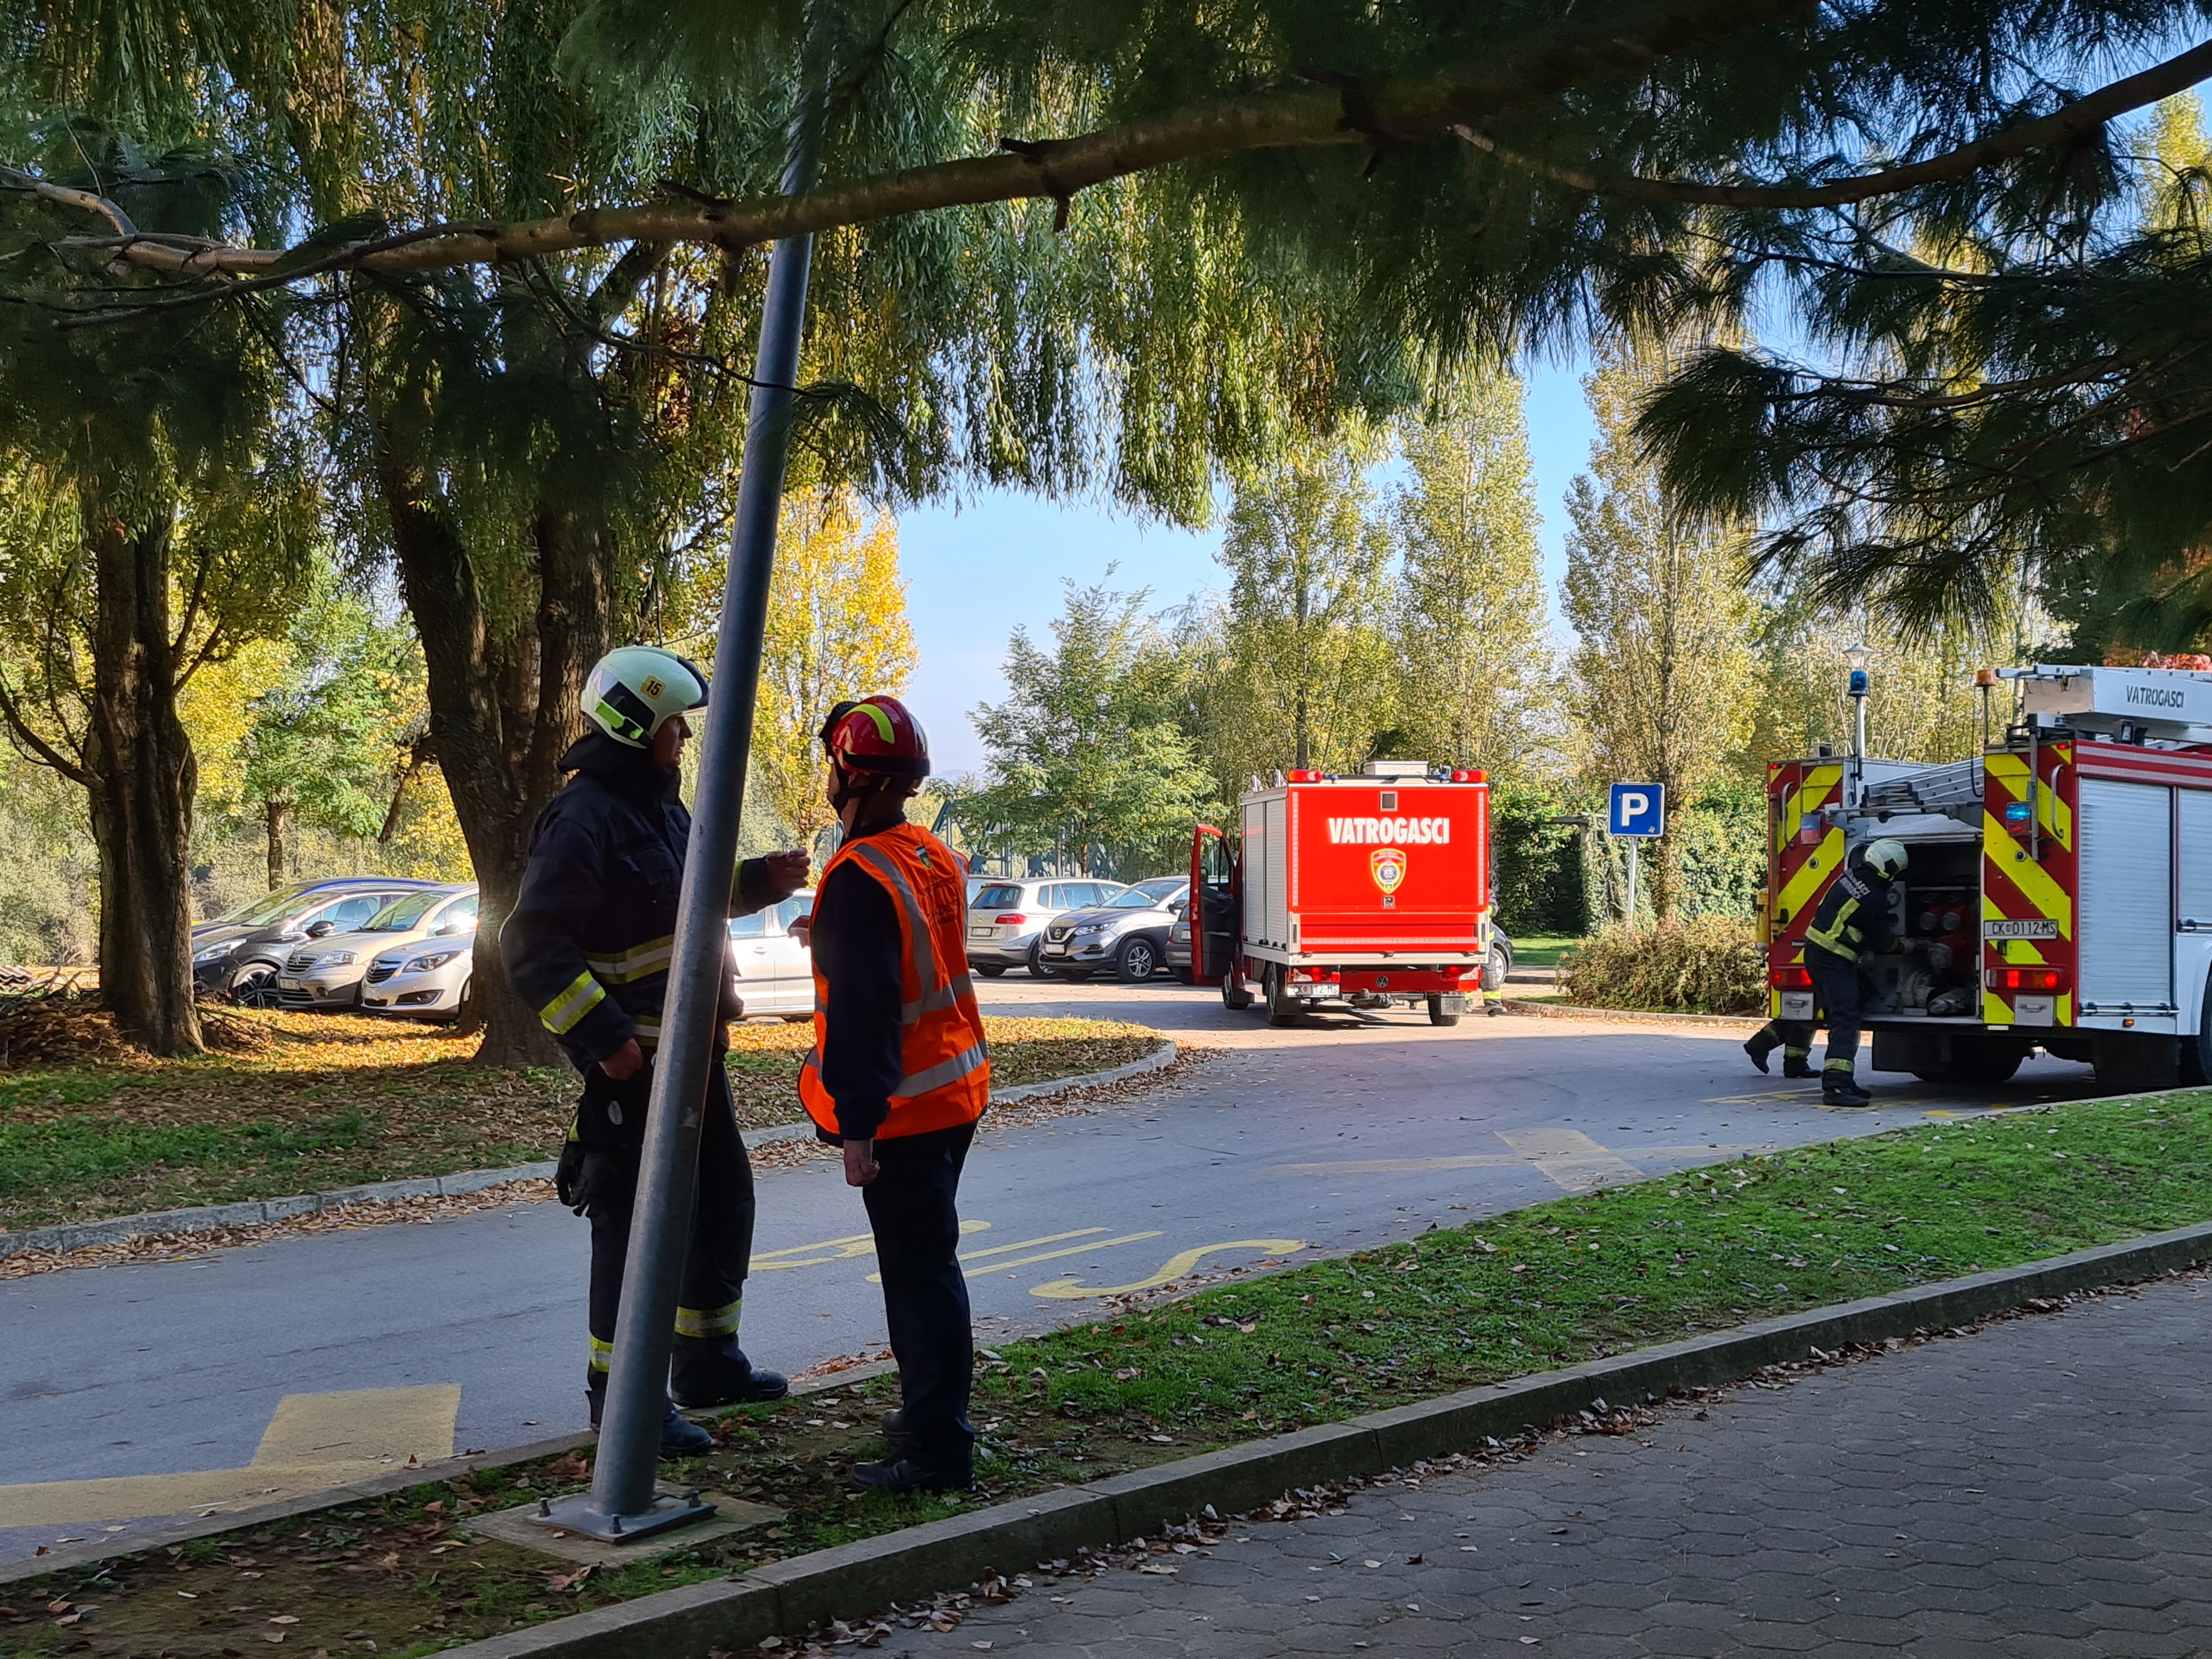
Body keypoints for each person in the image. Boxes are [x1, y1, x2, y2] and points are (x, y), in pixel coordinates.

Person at [505, 645, 808, 1457]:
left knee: (720, 1204)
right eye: (673, 720)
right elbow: (534, 948)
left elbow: (686, 897)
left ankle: (706, 1364)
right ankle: (625, 1404)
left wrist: (756, 883)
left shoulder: (664, 809)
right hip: (639, 1068)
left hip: (695, 1060)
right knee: (636, 1233)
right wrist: (610, 1046)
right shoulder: (584, 817)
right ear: (636, 725)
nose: (682, 734)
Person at [795, 695, 989, 1493]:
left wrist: (859, 1130)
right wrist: (837, 933)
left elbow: (865, 1015)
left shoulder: (856, 875)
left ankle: (937, 1450)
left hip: (903, 1111)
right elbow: (917, 956)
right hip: (955, 1091)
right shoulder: (928, 853)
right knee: (931, 1269)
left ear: (849, 773)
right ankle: (929, 1416)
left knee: (917, 1282)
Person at [1794, 837, 1911, 1108]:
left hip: (1820, 954)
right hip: (1833, 959)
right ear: (1891, 869)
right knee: (1846, 1019)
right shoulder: (1876, 899)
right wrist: (1903, 946)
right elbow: (1884, 942)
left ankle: (1844, 1082)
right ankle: (1836, 1087)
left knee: (1847, 1012)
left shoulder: (1852, 875)